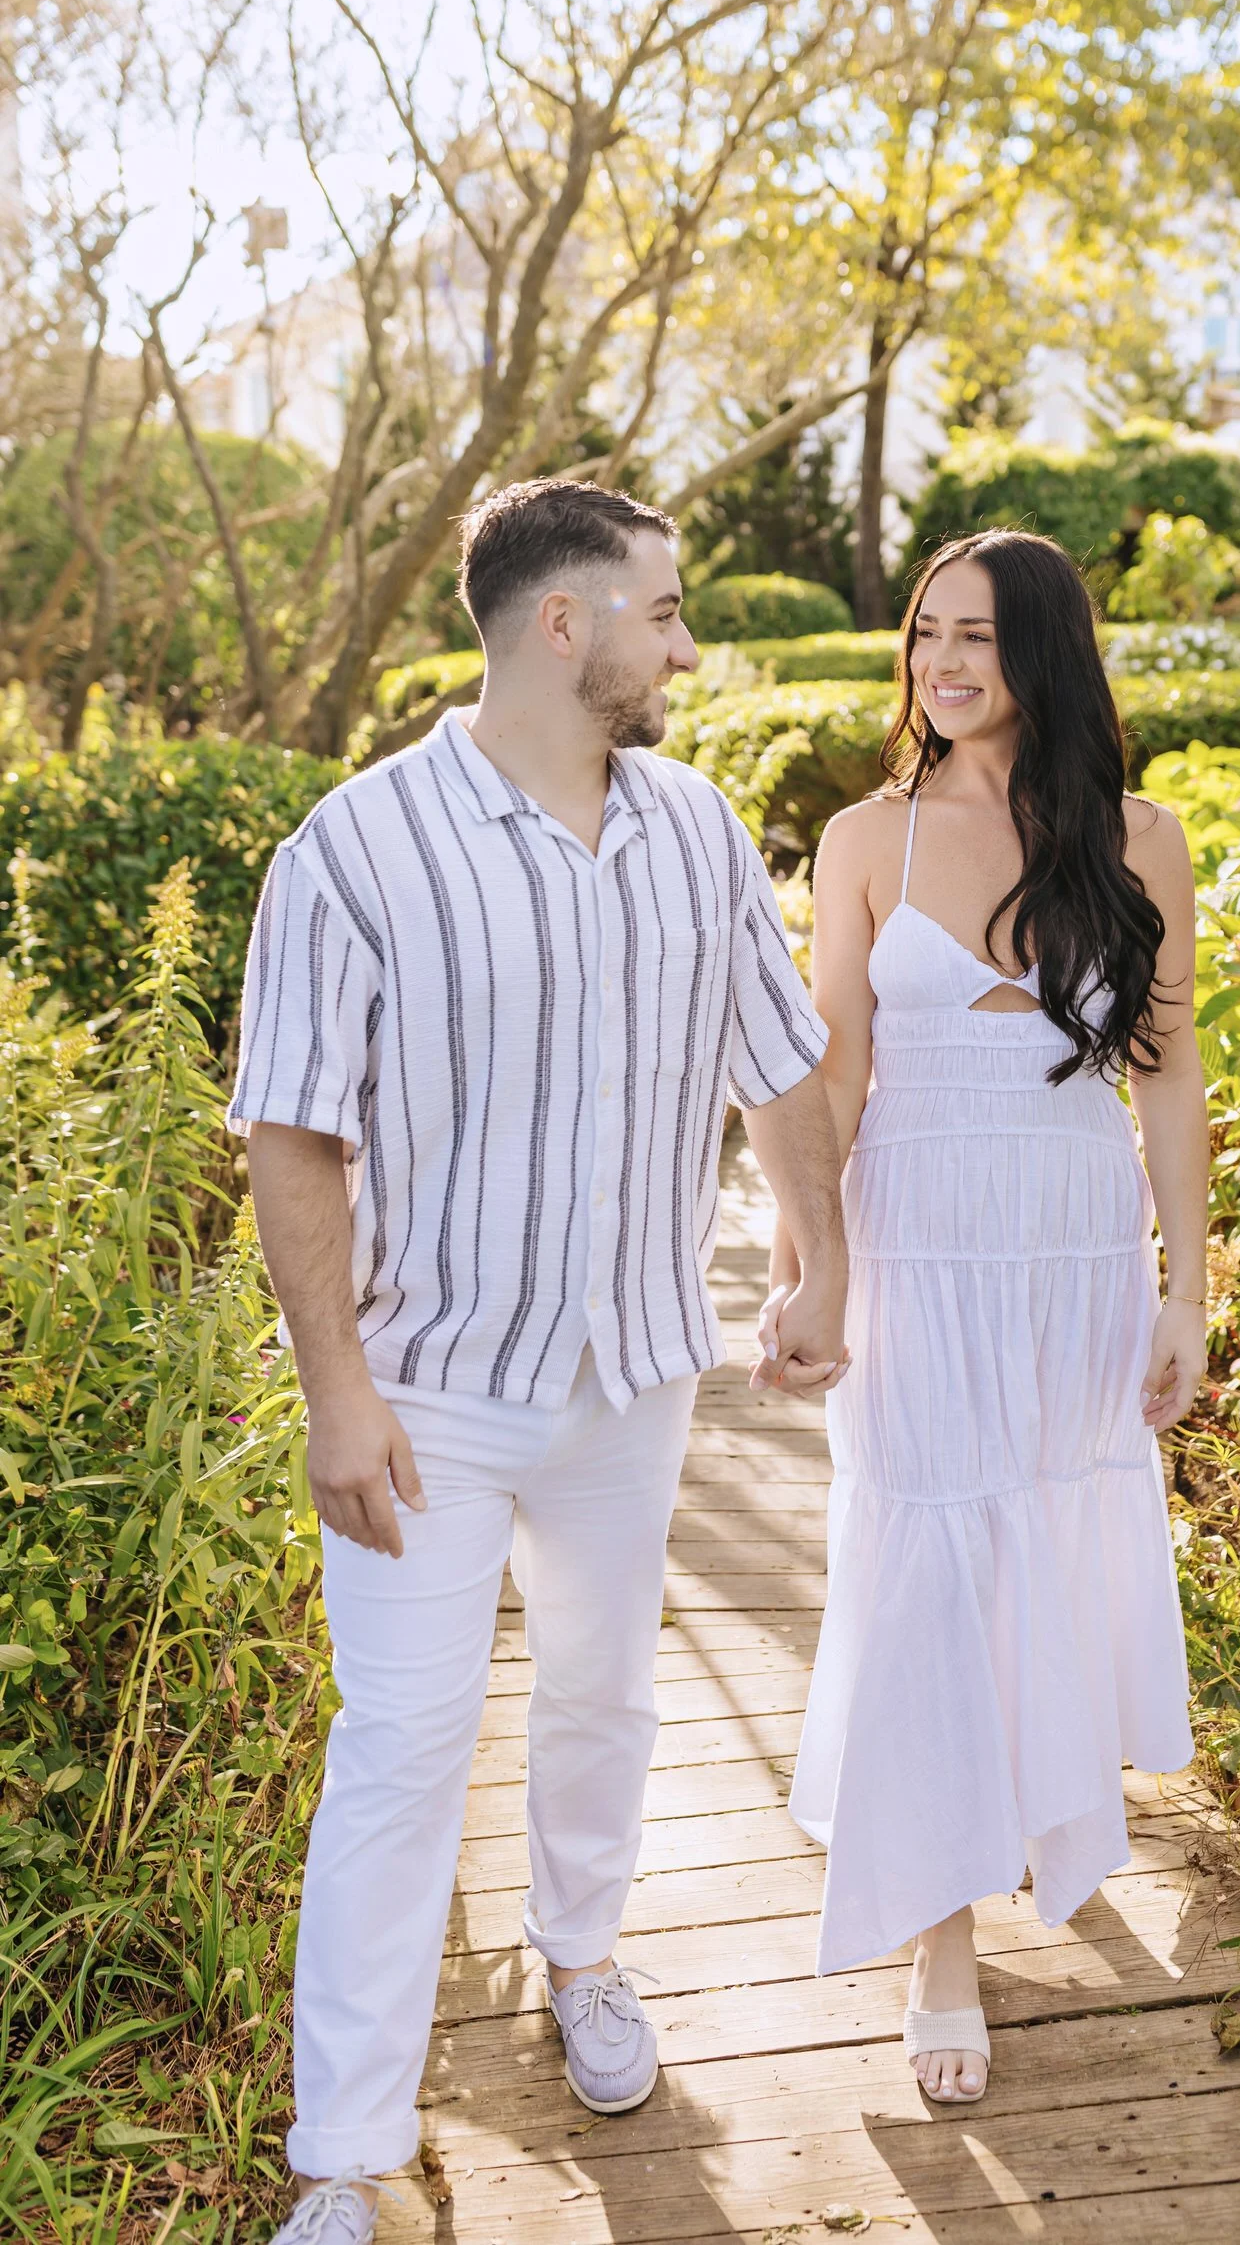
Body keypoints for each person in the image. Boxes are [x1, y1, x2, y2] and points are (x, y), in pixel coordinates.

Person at [234, 478, 847, 2245]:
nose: (687, 640)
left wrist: (819, 1258)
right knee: (404, 1746)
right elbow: (291, 1132)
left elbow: (779, 1054)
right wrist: (333, 1387)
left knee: (603, 1693)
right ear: (562, 625)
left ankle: (586, 1960)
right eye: (663, 609)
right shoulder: (354, 850)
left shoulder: (698, 828)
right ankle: (344, 2160)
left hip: (637, 1368)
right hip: (430, 1389)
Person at [767, 528, 1206, 2106]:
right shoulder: (863, 836)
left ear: (1046, 655)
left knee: (1047, 1539)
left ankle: (1039, 1815)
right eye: (925, 637)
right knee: (930, 1560)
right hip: (922, 1247)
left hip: (1077, 1248)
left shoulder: (1140, 838)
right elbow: (830, 1071)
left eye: (979, 638)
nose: (944, 666)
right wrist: (811, 1262)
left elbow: (1169, 1079)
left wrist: (1188, 1287)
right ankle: (940, 1939)